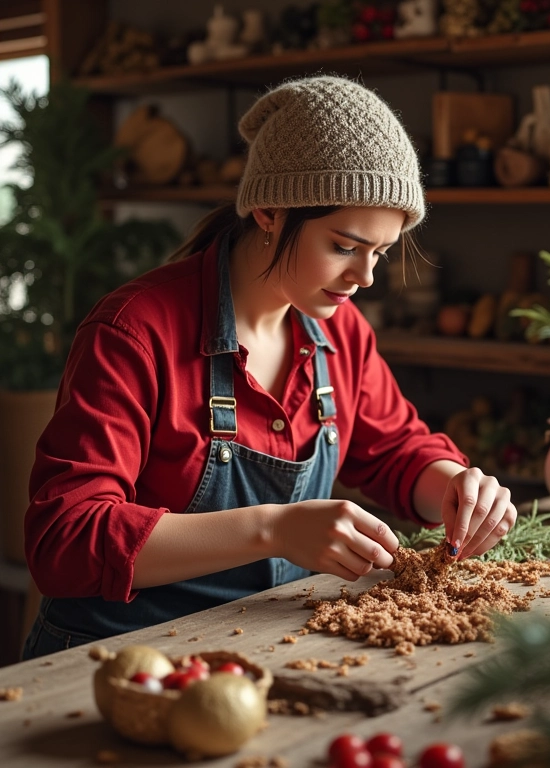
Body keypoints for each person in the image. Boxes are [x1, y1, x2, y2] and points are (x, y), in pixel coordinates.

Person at [22, 75, 517, 659]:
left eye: (379, 252)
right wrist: (274, 530)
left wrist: (456, 489)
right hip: (112, 659)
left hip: (263, 650)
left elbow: (395, 451)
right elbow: (66, 540)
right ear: (270, 210)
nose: (367, 277)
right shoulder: (135, 330)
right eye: (344, 245)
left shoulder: (340, 332)